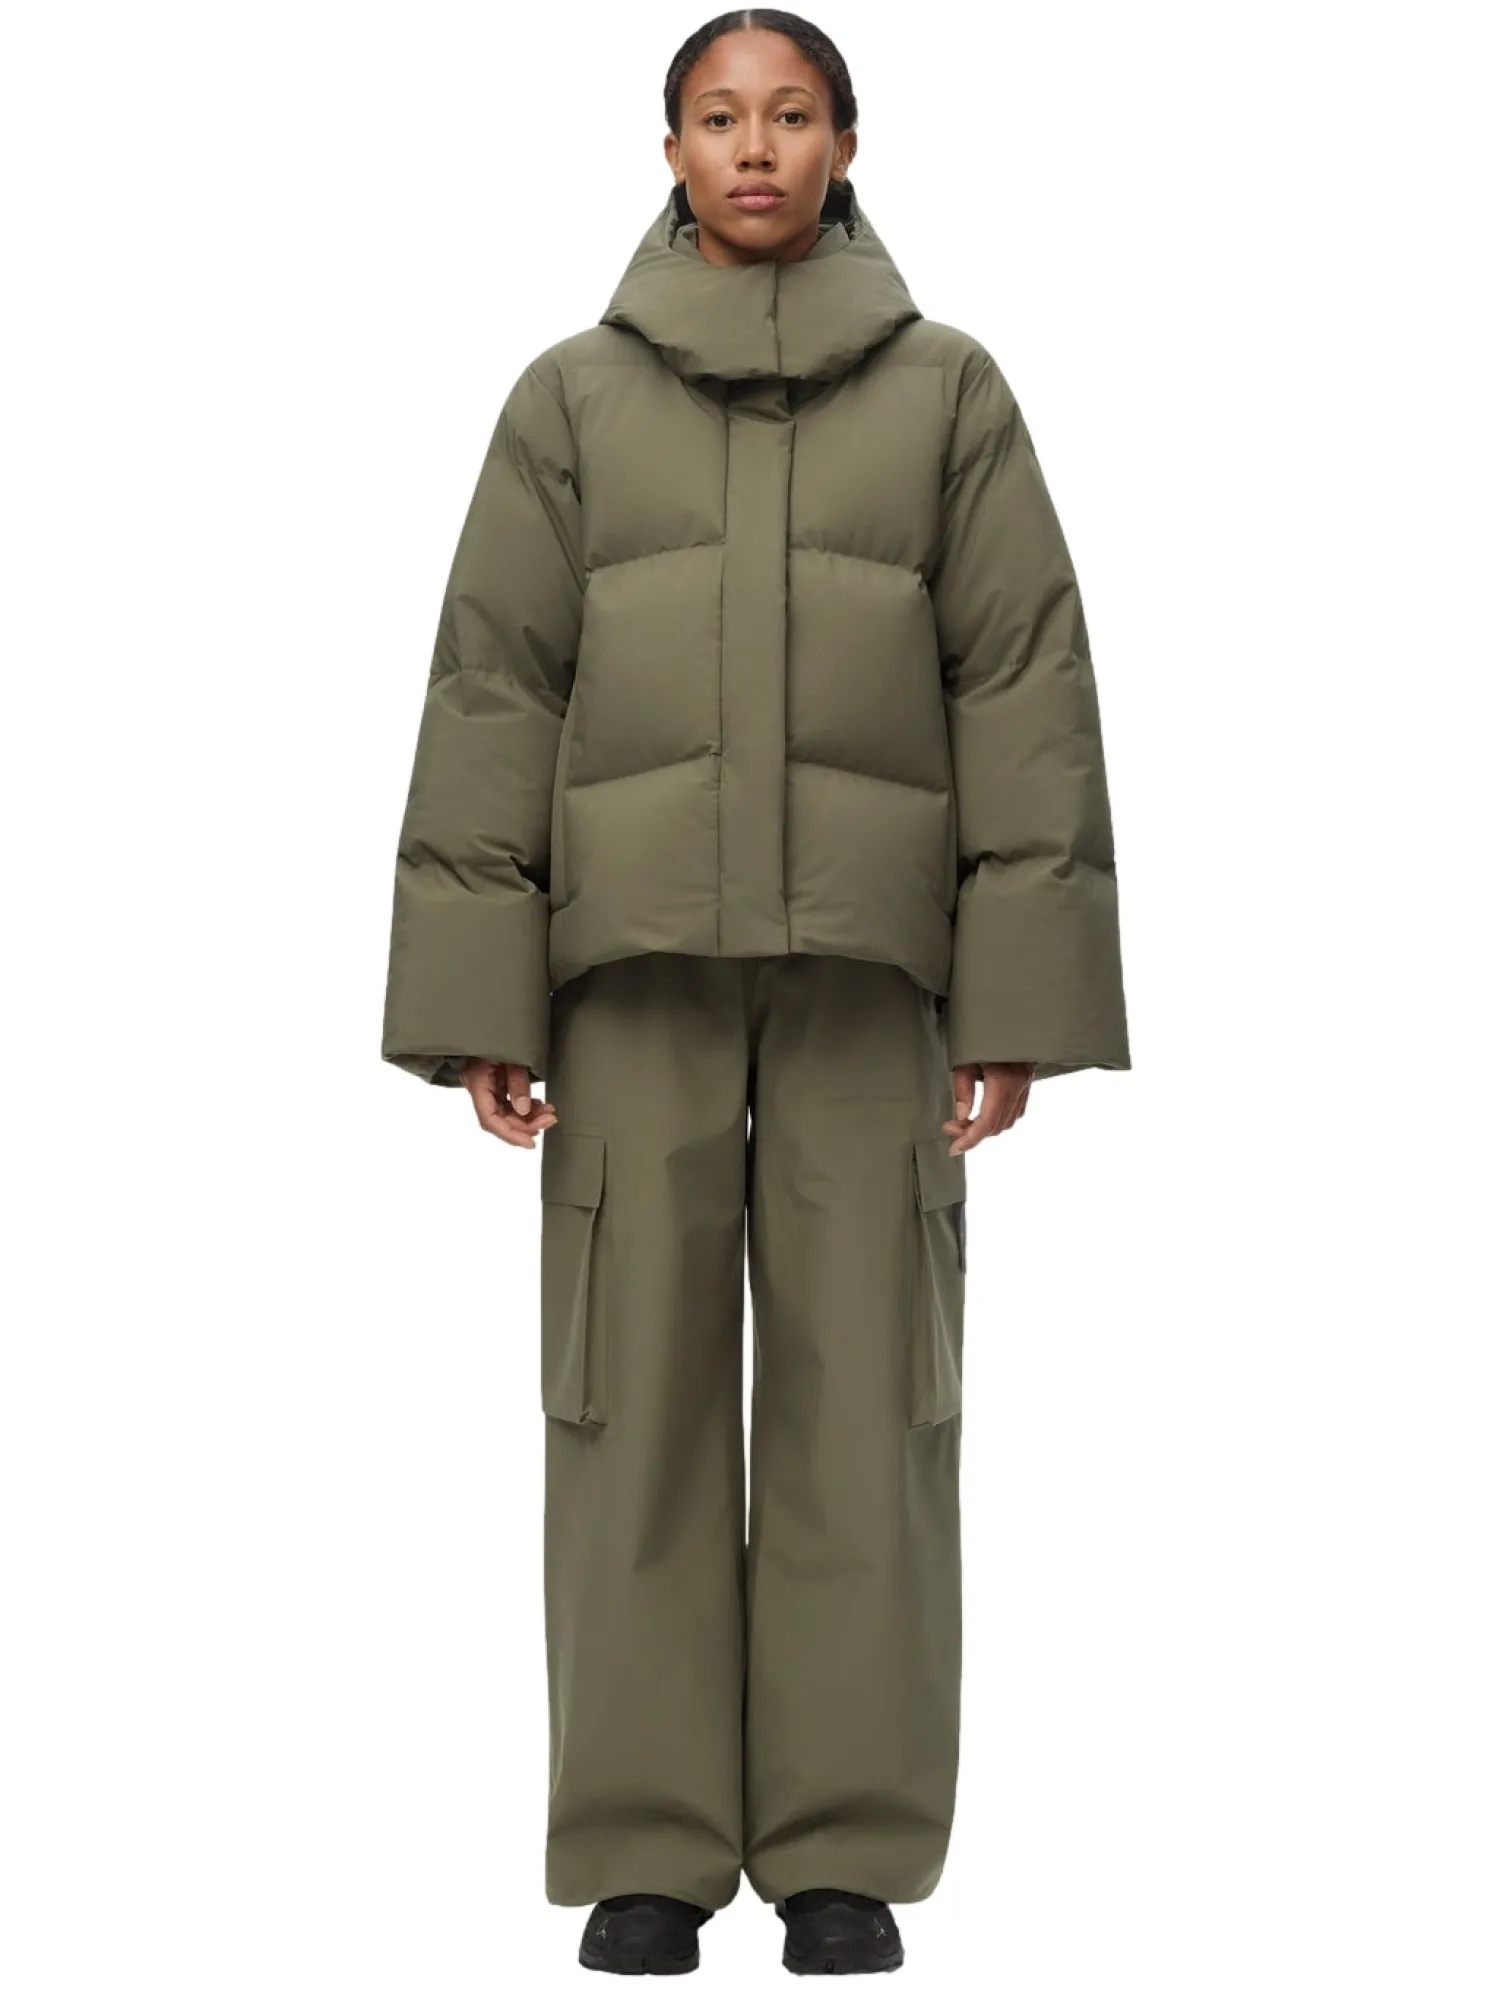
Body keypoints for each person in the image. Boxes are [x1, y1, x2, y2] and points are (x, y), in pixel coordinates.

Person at [380, 7, 1130, 1977]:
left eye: (793, 114)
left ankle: (841, 1852)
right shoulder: (567, 402)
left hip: (873, 988)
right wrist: (482, 995)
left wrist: (1016, 999)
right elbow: (493, 691)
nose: (757, 149)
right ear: (668, 153)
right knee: (623, 1407)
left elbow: (1024, 688)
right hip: (627, 981)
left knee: (868, 1408)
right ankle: (644, 1848)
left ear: (849, 142)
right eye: (719, 117)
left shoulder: (952, 396)